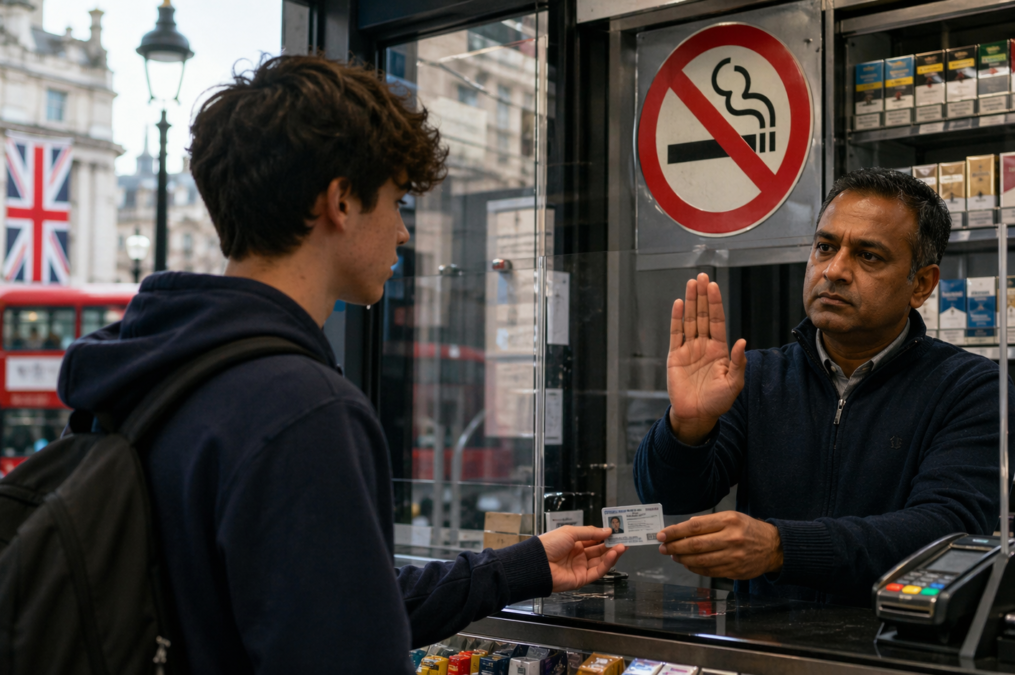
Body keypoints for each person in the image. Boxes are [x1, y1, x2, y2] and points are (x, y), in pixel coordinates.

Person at [57, 55, 625, 673]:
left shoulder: (144, 374)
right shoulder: (303, 409)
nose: (404, 233)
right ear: (341, 201)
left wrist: (524, 565)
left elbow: (332, 599)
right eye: (396, 201)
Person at [634, 168, 1015, 606]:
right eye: (825, 247)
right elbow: (667, 496)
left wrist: (781, 547)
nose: (834, 270)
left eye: (868, 256)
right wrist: (688, 424)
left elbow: (947, 531)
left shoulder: (970, 388)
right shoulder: (754, 376)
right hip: (765, 652)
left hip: (892, 654)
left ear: (921, 284)